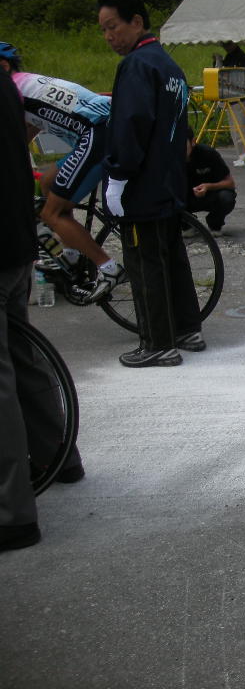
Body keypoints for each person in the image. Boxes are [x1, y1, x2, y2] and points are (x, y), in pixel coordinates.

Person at [2, 48, 84, 553]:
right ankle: (58, 455)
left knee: (6, 373)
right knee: (21, 357)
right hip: (15, 242)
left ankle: (11, 512)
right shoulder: (9, 88)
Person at [98, 0, 204, 367]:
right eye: (103, 30)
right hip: (169, 180)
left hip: (142, 184)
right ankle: (187, 328)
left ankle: (157, 343)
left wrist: (117, 176)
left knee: (144, 263)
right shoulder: (169, 65)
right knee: (171, 257)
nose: (109, 36)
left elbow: (131, 125)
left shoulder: (136, 65)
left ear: (137, 21)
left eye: (113, 26)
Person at [0, 43, 127, 303]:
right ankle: (71, 253)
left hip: (97, 133)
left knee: (51, 213)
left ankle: (108, 268)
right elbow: (27, 130)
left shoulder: (12, 88)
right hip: (103, 128)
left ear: (3, 66)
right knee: (48, 184)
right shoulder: (26, 83)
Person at [185, 129, 236, 235]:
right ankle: (187, 224)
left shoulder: (207, 153)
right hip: (184, 198)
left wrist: (208, 186)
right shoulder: (169, 158)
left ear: (193, 141)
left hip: (210, 195)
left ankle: (214, 223)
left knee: (226, 197)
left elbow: (230, 183)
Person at [220, 40, 245, 168]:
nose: (226, 47)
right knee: (234, 129)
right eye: (224, 45)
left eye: (227, 44)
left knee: (241, 128)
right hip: (230, 96)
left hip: (241, 97)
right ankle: (241, 155)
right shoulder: (229, 56)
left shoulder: (241, 57)